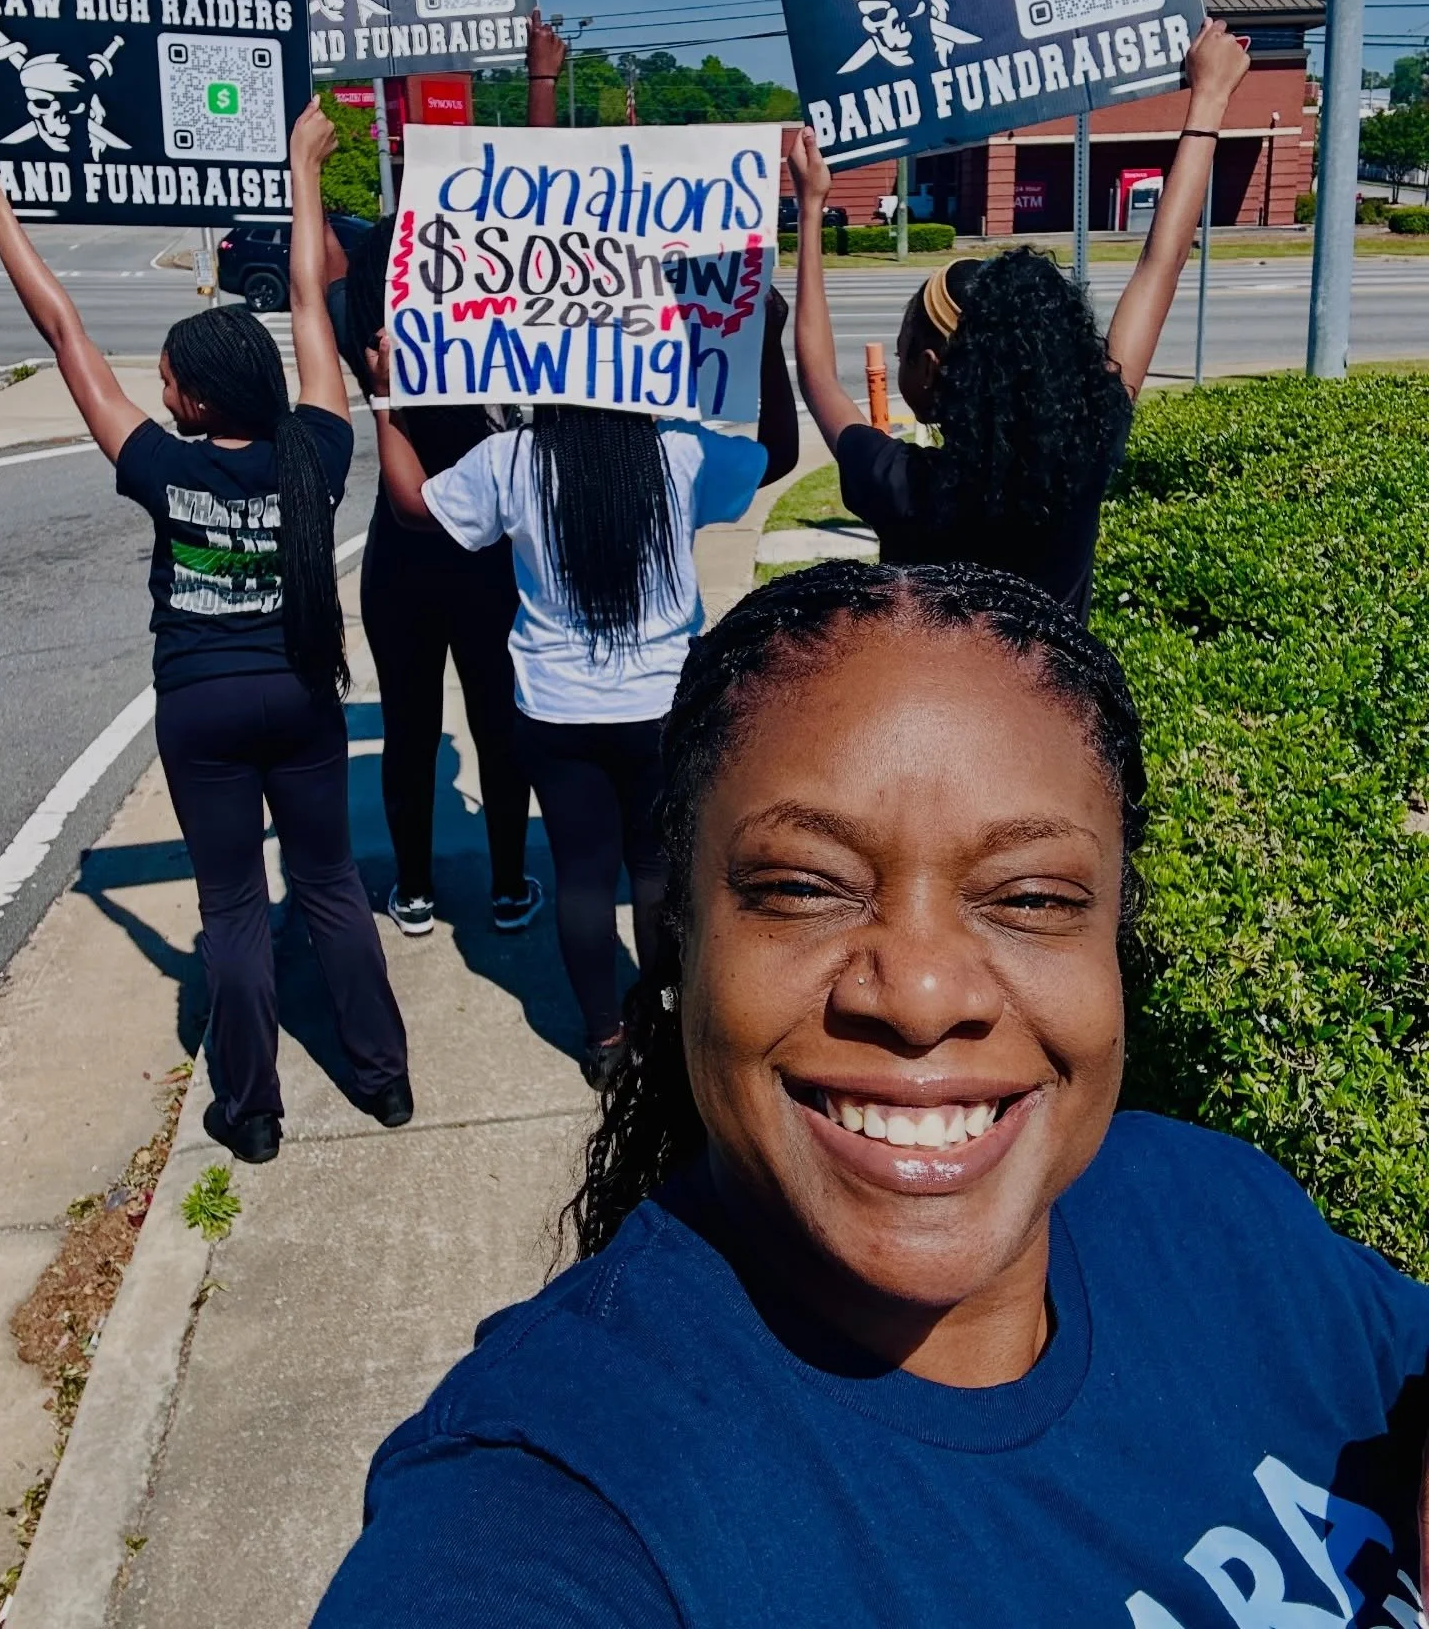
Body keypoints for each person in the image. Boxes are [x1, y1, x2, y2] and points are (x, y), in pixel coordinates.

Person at [315, 560, 1429, 1626]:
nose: (922, 991)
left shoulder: (1213, 1207)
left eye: (1032, 898)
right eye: (805, 887)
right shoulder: (561, 1506)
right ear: (681, 938)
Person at [0, 103, 410, 1164]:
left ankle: (255, 1111)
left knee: (231, 908)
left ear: (189, 395)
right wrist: (299, 169)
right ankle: (385, 1079)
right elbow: (313, 297)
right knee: (328, 884)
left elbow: (63, 332)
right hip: (303, 692)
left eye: (170, 375)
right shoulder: (314, 446)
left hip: (200, 706)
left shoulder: (161, 467)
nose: (160, 386)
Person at [366, 300, 798, 1087]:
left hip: (556, 707)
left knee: (583, 875)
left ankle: (604, 1039)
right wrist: (766, 340)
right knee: (657, 870)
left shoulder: (514, 458)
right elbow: (777, 454)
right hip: (663, 704)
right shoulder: (681, 454)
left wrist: (386, 401)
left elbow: (410, 504)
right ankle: (664, 1018)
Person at [788, 19, 1252, 620]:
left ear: (933, 373)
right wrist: (1210, 99)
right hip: (1059, 708)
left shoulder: (902, 487)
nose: (899, 358)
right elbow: (1160, 264)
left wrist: (810, 207)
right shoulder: (1086, 449)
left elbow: (818, 375)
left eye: (905, 349)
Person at [328, 13, 569, 943]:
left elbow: (313, 271)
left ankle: (419, 890)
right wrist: (539, 84)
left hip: (403, 545)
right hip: (490, 541)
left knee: (408, 725)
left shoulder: (365, 309)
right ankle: (509, 886)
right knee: (497, 721)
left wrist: (302, 172)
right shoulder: (495, 294)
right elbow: (543, 207)